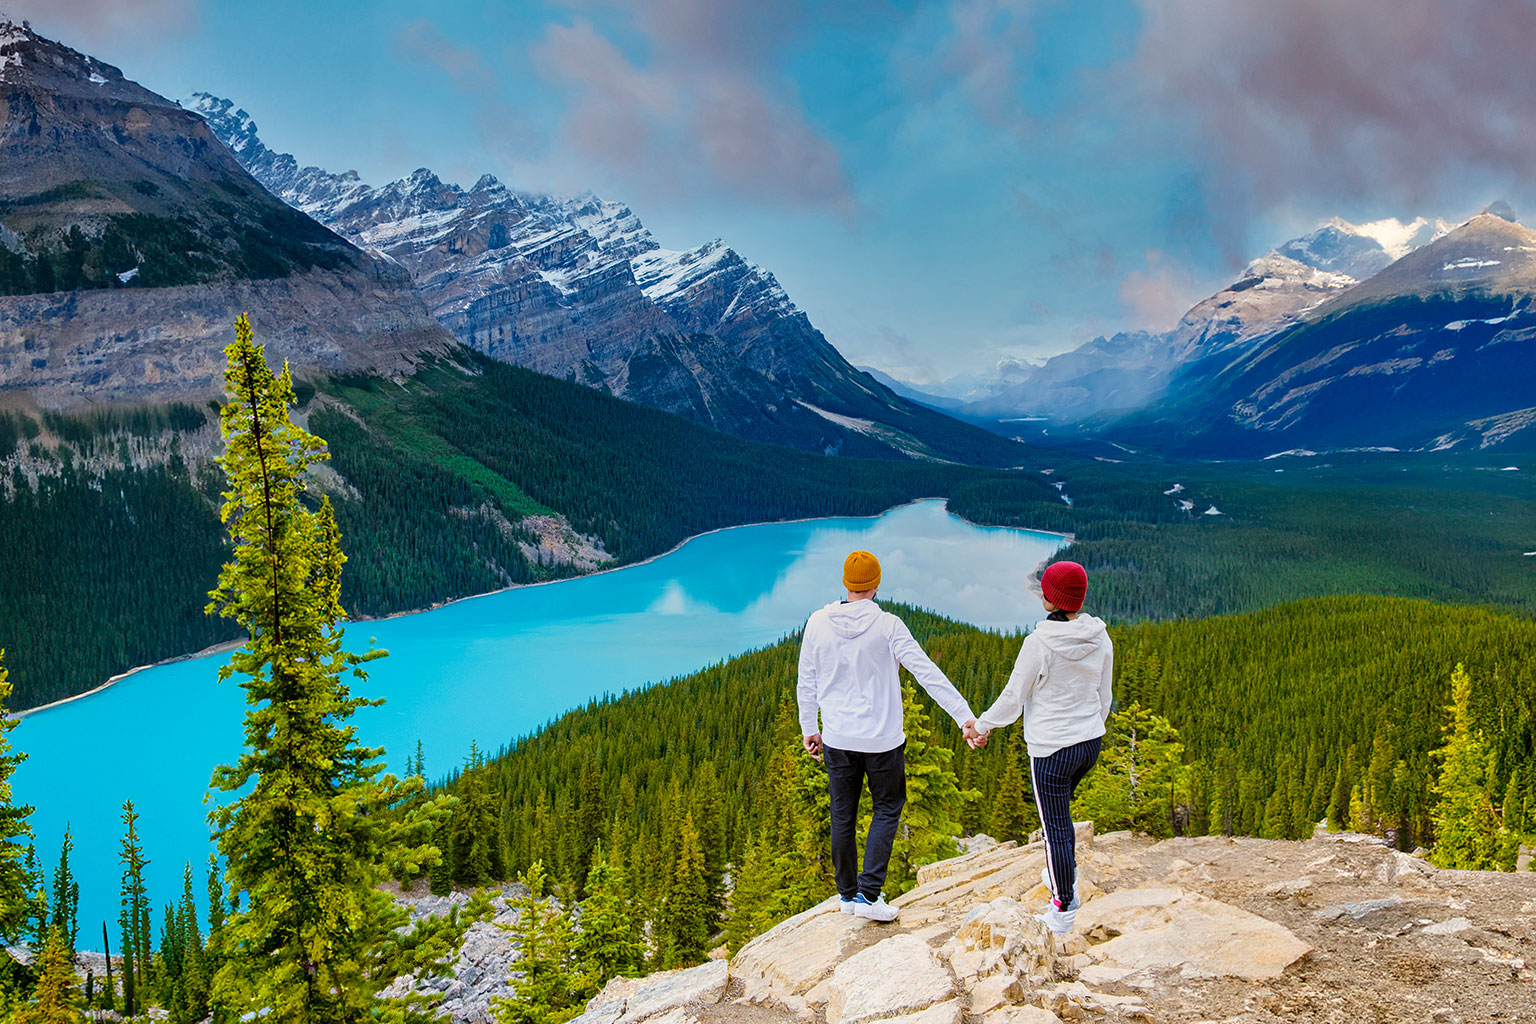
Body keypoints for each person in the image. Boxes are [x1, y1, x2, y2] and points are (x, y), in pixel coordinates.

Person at [798, 550, 980, 922]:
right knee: (887, 808)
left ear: (846, 583)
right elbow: (927, 673)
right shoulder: (889, 626)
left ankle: (847, 896)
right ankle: (868, 896)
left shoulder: (817, 622)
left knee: (842, 815)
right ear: (876, 585)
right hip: (882, 741)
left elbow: (807, 682)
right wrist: (965, 717)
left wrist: (809, 728)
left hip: (837, 739)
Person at [963, 560, 1112, 935]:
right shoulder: (1100, 636)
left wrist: (980, 726)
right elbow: (1104, 695)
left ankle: (1063, 907)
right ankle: (1061, 873)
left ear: (1051, 598)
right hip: (1089, 743)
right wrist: (1093, 728)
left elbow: (1014, 699)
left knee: (1056, 827)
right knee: (1057, 820)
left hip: (1051, 752)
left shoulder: (1039, 643)